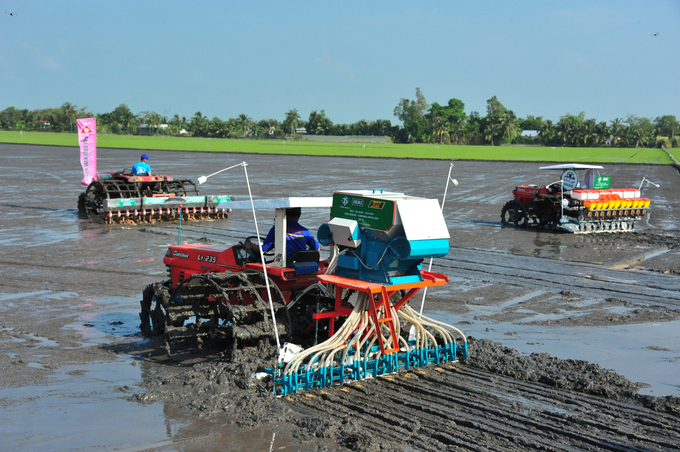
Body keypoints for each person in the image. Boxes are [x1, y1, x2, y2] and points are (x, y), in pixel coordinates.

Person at [247, 207, 320, 258]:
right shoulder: (305, 232)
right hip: (300, 264)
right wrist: (304, 255)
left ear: (283, 214)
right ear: (299, 215)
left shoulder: (277, 228)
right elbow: (317, 248)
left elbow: (263, 249)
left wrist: (250, 245)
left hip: (286, 265)